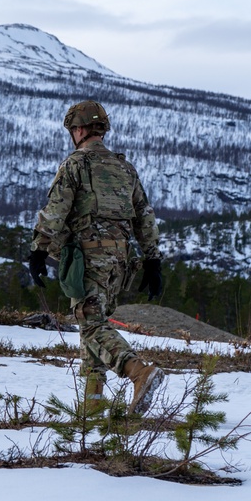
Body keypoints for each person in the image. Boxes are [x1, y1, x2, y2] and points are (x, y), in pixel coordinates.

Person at [28, 100, 165, 414]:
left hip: (87, 258)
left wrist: (38, 250)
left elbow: (55, 211)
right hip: (120, 261)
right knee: (94, 328)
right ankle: (91, 413)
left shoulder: (76, 164)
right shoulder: (125, 168)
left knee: (91, 327)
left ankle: (139, 372)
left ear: (78, 130)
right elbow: (145, 218)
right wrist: (153, 261)